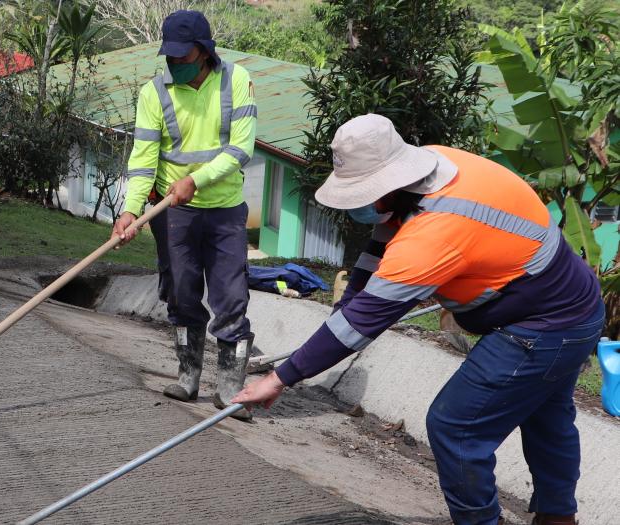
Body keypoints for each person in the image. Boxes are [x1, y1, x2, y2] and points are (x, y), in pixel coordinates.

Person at [233, 114, 603, 525]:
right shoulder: (434, 166)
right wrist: (348, 302)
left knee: (456, 426)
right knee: (547, 419)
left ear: (389, 189)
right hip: (573, 303)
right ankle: (557, 518)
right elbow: (378, 250)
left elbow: (357, 328)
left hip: (548, 325)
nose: (358, 205)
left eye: (363, 195)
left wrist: (280, 377)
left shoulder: (432, 236)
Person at [111, 10, 260, 419]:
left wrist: (197, 179)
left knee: (231, 296)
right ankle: (188, 375)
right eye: (170, 57)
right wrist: (130, 211)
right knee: (180, 290)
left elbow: (241, 148)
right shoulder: (153, 93)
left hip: (225, 210)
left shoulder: (238, 81)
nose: (175, 64)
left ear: (204, 50)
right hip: (173, 213)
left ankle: (231, 390)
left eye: (183, 56)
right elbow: (143, 161)